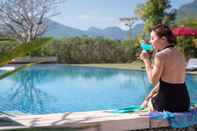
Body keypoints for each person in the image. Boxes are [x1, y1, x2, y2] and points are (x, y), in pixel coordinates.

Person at [140, 24, 190, 112]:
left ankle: (147, 103)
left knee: (148, 103)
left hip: (167, 105)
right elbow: (167, 82)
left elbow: (153, 80)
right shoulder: (181, 55)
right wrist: (149, 95)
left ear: (163, 39)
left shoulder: (160, 56)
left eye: (152, 38)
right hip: (184, 103)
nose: (150, 41)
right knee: (152, 96)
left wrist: (146, 60)